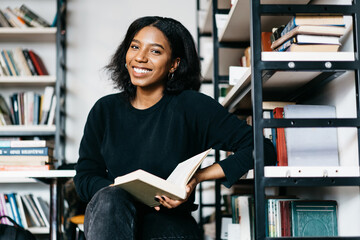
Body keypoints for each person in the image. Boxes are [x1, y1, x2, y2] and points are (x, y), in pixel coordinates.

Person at [74, 16, 276, 240]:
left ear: (174, 64)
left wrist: (196, 178)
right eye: (134, 47)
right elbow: (84, 178)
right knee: (110, 199)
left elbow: (262, 149)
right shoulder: (105, 110)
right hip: (111, 219)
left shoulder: (192, 106)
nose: (140, 58)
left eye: (155, 51)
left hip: (169, 227)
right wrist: (122, 190)